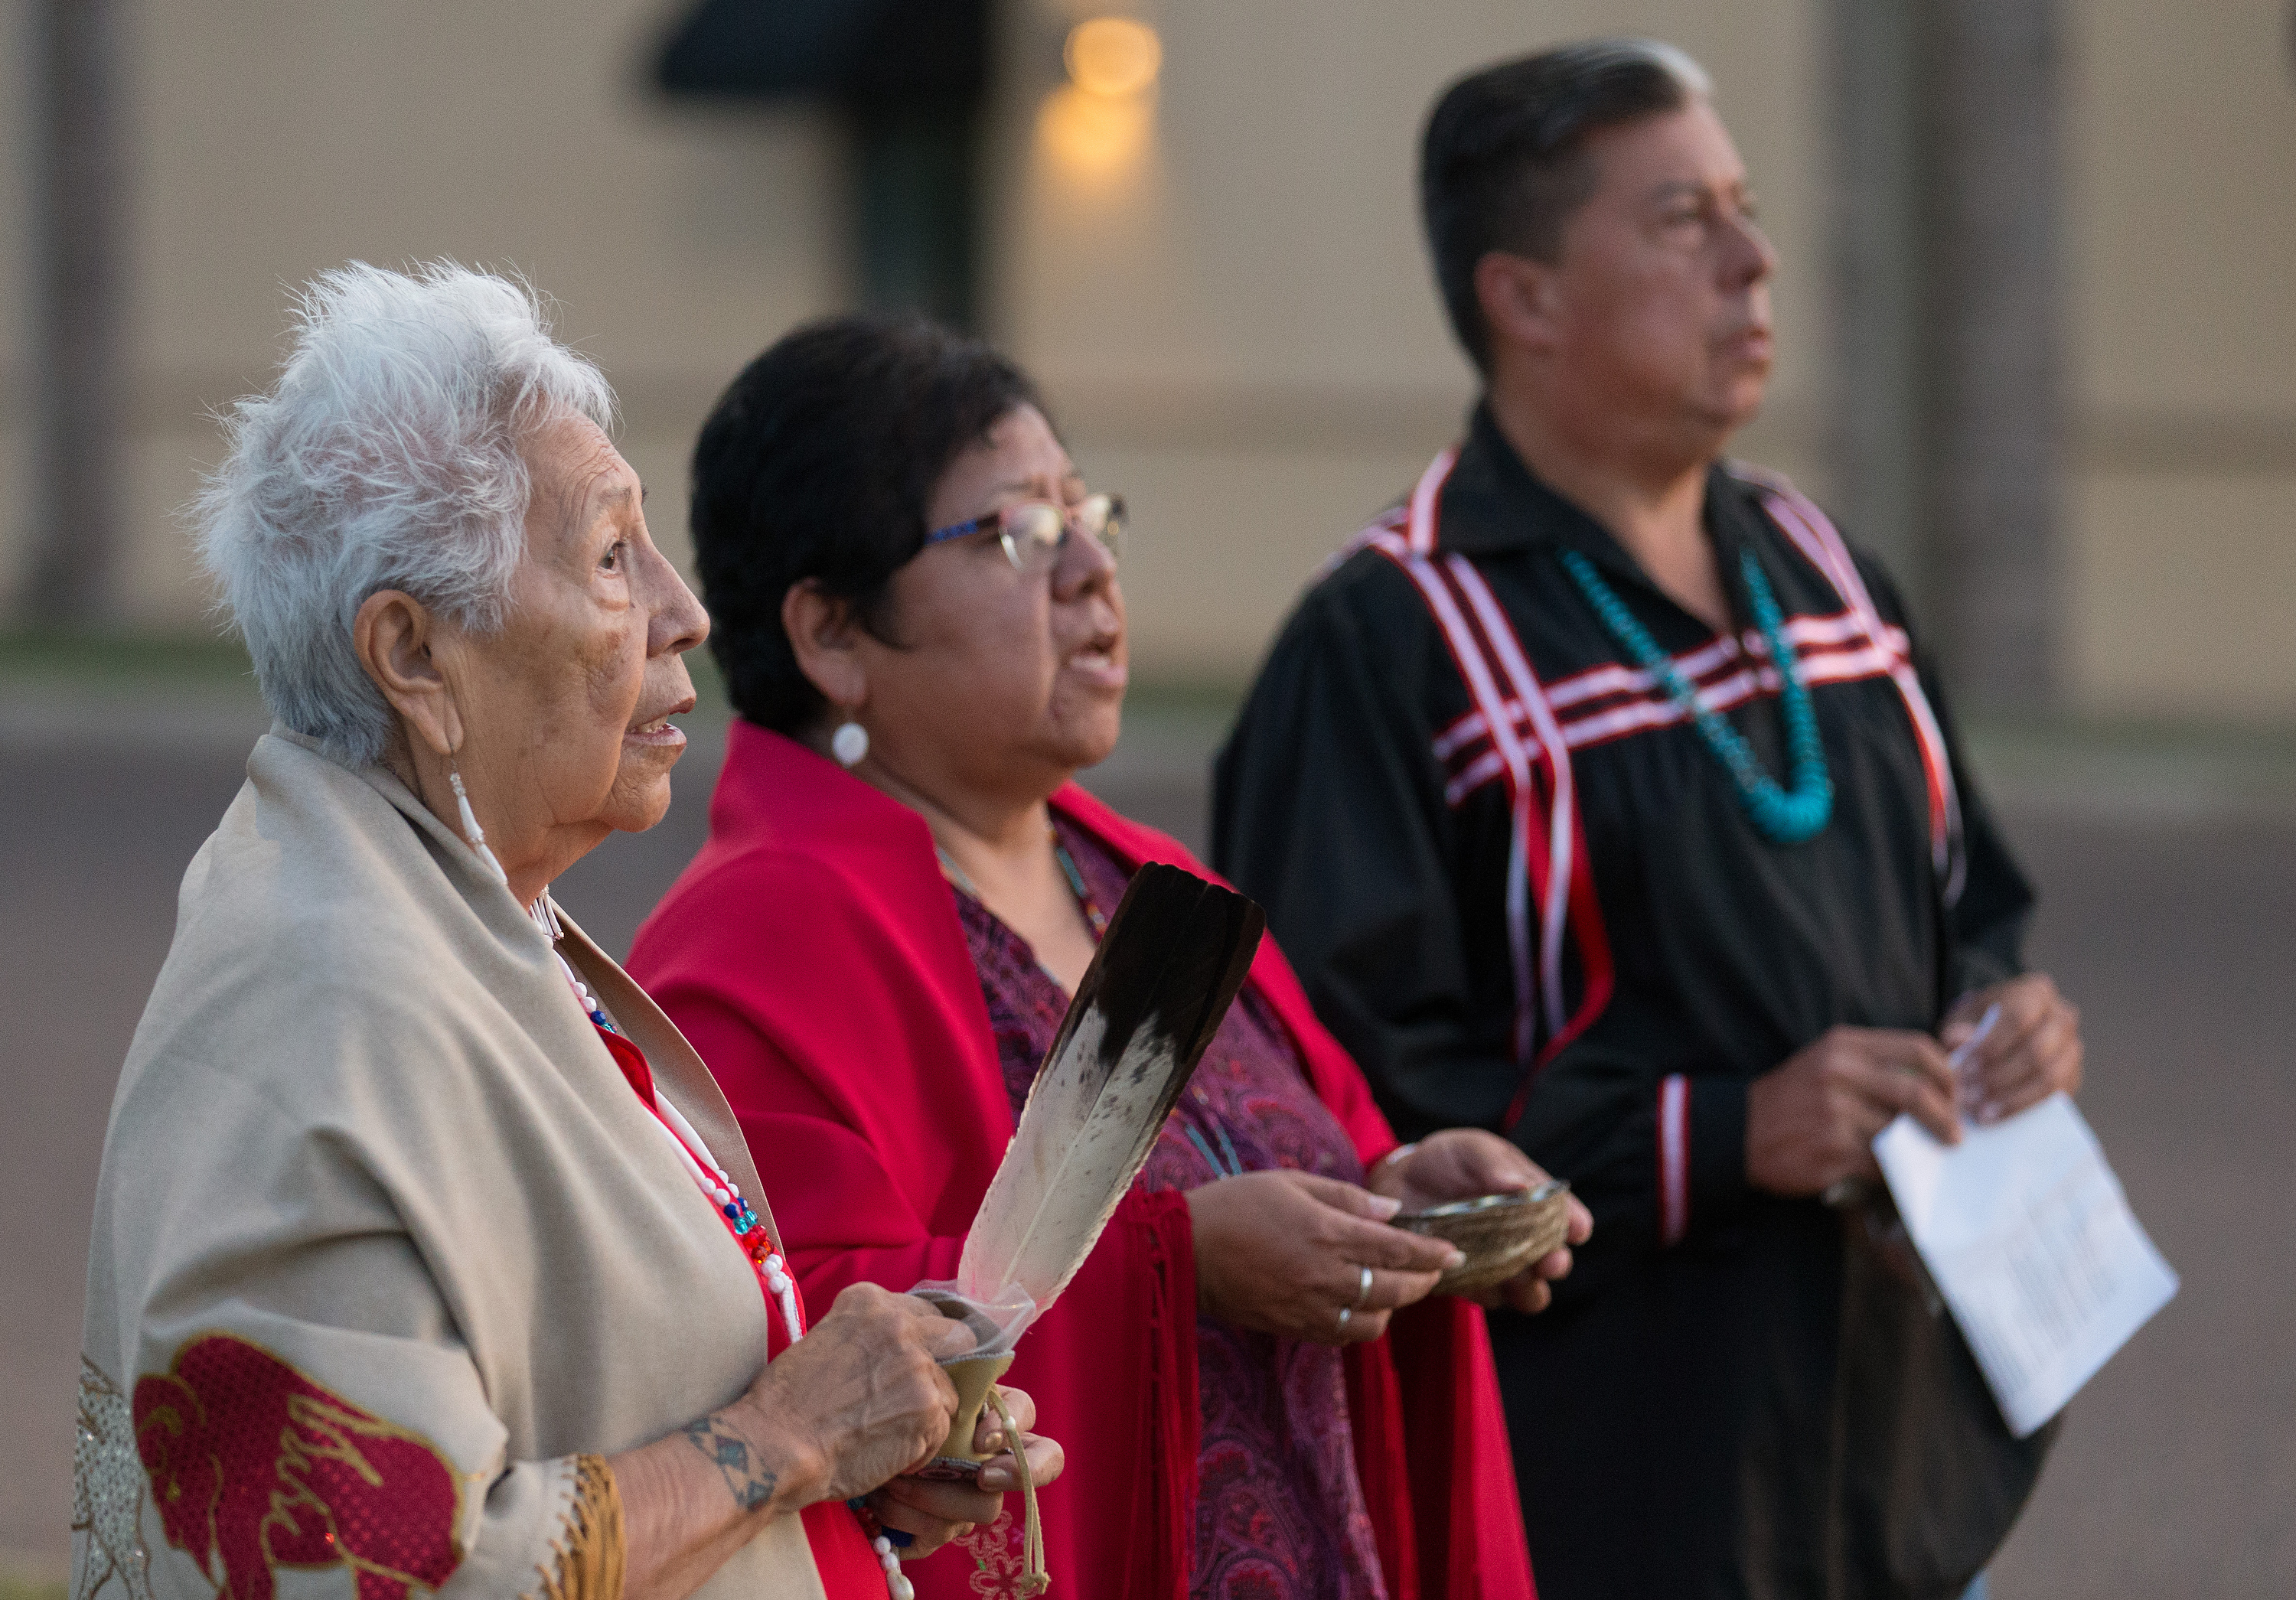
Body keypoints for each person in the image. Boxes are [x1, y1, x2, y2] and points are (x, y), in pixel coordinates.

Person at [1212, 42, 2083, 1600]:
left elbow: (1972, 903)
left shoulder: (1830, 570)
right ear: (1524, 297)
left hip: (1888, 1458)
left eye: (1746, 210)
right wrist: (1722, 1132)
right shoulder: (1389, 640)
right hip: (1610, 1482)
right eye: (1684, 220)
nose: (1754, 262)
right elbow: (1319, 1096)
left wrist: (2007, 1011)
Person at [71, 263, 1059, 1600]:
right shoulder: (324, 998)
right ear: (415, 659)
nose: (684, 612)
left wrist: (846, 1476)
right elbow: (391, 1567)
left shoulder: (461, 912)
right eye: (609, 558)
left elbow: (579, 1396)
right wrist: (781, 1442)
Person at [627, 314, 1585, 1600]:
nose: (1090, 570)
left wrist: (1407, 1197)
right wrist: (1178, 1264)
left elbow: (1307, 1155)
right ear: (833, 637)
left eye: (1090, 515)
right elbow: (798, 1338)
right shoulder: (762, 932)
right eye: (1019, 533)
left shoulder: (1140, 879)